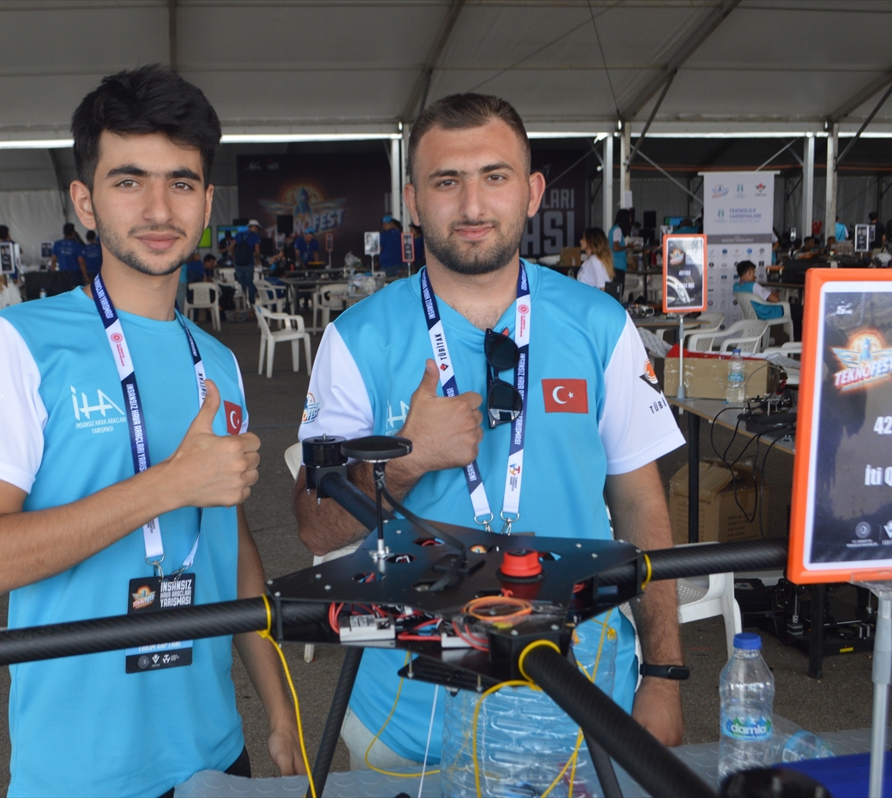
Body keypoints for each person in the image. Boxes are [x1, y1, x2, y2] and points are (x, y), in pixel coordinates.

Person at [293, 92, 685, 770]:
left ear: (532, 192)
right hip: (410, 714)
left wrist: (664, 674)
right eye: (447, 181)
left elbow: (641, 504)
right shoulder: (358, 339)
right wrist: (407, 459)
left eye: (495, 177)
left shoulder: (600, 325)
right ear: (414, 201)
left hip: (584, 701)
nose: (473, 206)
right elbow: (314, 526)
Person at [0, 65, 304, 797]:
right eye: (129, 180)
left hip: (213, 752)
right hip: (79, 770)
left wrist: (278, 711)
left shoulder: (217, 362)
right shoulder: (19, 342)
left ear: (206, 202)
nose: (158, 208)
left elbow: (232, 546)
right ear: (85, 200)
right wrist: (167, 485)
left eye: (181, 182)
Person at [232, 220, 260, 300]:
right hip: (249, 263)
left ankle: (242, 301)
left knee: (241, 283)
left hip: (238, 263)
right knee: (250, 282)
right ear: (254, 227)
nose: (257, 230)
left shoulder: (239, 234)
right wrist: (257, 259)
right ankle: (251, 302)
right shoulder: (255, 236)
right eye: (257, 228)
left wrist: (234, 257)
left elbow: (231, 246)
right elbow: (257, 250)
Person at [610, 207, 633, 286]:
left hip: (615, 264)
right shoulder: (618, 230)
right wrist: (627, 246)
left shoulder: (613, 229)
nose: (631, 220)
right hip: (618, 265)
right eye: (629, 218)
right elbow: (616, 247)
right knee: (619, 289)